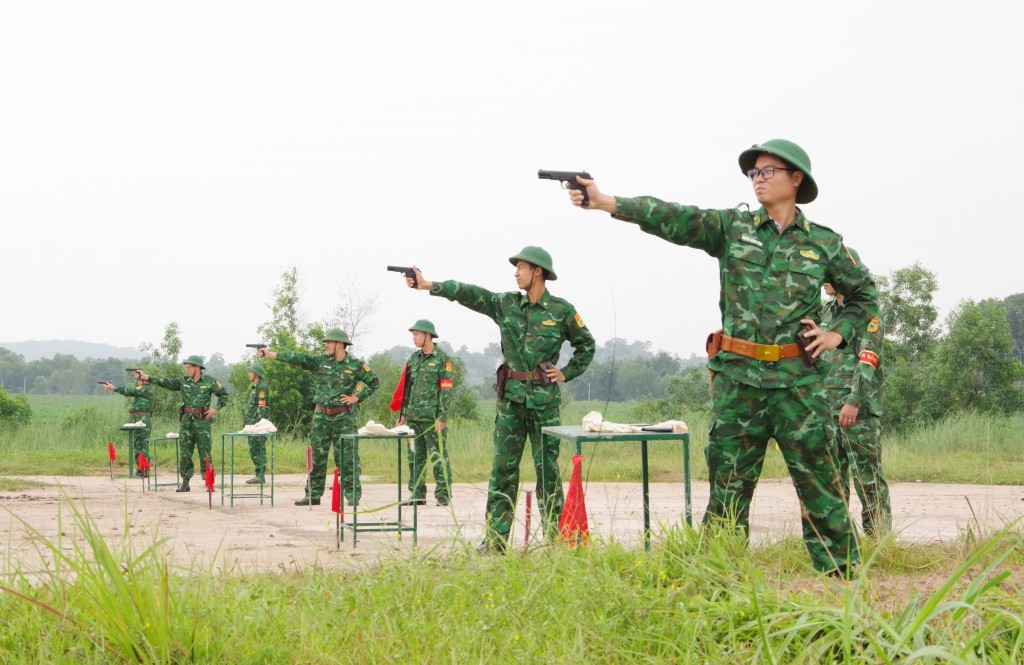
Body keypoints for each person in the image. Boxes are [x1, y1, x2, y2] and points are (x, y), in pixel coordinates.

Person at [562, 139, 879, 577]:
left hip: (799, 386)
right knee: (728, 490)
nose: (758, 179)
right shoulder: (732, 227)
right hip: (739, 385)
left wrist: (836, 334)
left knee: (821, 486)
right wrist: (605, 202)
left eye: (767, 171)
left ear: (796, 179)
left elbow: (864, 294)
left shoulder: (823, 243)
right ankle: (719, 582)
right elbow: (676, 217)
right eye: (753, 173)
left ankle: (842, 579)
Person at [404, 246, 596, 552]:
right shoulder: (506, 304)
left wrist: (566, 373)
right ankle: (495, 543)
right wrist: (429, 285)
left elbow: (586, 345)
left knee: (548, 472)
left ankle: (556, 542)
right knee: (503, 472)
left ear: (537, 271)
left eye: (521, 267)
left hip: (544, 403)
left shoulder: (561, 311)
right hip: (510, 403)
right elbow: (471, 294)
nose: (515, 273)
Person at [258, 329, 379, 506]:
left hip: (344, 418)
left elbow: (373, 381)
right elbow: (299, 358)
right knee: (316, 458)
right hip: (321, 417)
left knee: (347, 458)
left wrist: (356, 397)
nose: (326, 345)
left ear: (340, 344)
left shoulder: (355, 365)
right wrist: (271, 354)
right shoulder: (322, 361)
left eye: (329, 342)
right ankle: (312, 495)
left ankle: (352, 495)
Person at [821, 268, 892, 536]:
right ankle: (840, 541)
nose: (824, 281)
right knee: (833, 481)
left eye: (830, 274)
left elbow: (868, 360)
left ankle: (879, 540)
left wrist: (853, 400)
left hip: (857, 412)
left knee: (867, 479)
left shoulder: (867, 314)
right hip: (827, 408)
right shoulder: (825, 313)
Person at [137, 355, 229, 492]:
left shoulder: (209, 381)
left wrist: (215, 409)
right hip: (186, 424)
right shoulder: (183, 381)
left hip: (202, 423)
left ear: (197, 368)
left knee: (205, 453)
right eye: (186, 367)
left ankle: (209, 482)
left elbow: (224, 395)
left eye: (189, 367)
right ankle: (185, 483)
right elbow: (165, 382)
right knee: (185, 454)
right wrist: (147, 377)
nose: (187, 370)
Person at [395, 319, 455, 507]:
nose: (413, 338)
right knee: (415, 457)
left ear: (428, 336)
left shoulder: (443, 359)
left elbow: (446, 390)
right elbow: (406, 388)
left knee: (438, 456)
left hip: (432, 419)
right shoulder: (414, 359)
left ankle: (443, 494)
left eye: (416, 334)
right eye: (413, 335)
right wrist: (403, 414)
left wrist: (442, 417)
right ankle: (417, 494)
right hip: (413, 417)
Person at [102, 370, 154, 476]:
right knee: (137, 445)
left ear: (145, 380)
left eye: (139, 380)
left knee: (141, 445)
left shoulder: (146, 389)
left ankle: (144, 470)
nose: (138, 382)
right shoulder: (142, 389)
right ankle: (141, 469)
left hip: (142, 420)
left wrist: (114, 388)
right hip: (137, 419)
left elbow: (129, 391)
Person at [243, 363, 270, 485]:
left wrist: (257, 425)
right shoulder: (255, 387)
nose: (249, 374)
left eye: (251, 372)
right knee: (254, 449)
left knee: (258, 449)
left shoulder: (261, 387)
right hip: (251, 425)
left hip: (256, 425)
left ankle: (260, 476)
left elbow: (262, 407)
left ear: (256, 374)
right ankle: (258, 475)